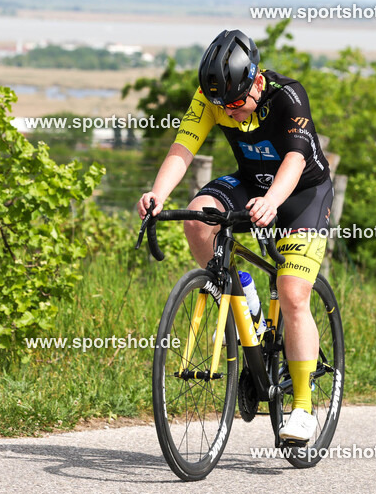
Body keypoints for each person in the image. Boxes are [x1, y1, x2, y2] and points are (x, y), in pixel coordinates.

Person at [137, 29, 332, 443]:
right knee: (197, 217)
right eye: (221, 106)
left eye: (237, 104)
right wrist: (158, 194)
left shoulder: (287, 95)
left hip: (302, 191)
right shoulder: (210, 98)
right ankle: (241, 290)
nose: (231, 113)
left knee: (294, 293)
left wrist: (274, 201)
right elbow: (183, 148)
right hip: (251, 181)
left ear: (257, 82)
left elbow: (296, 158)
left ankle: (302, 406)